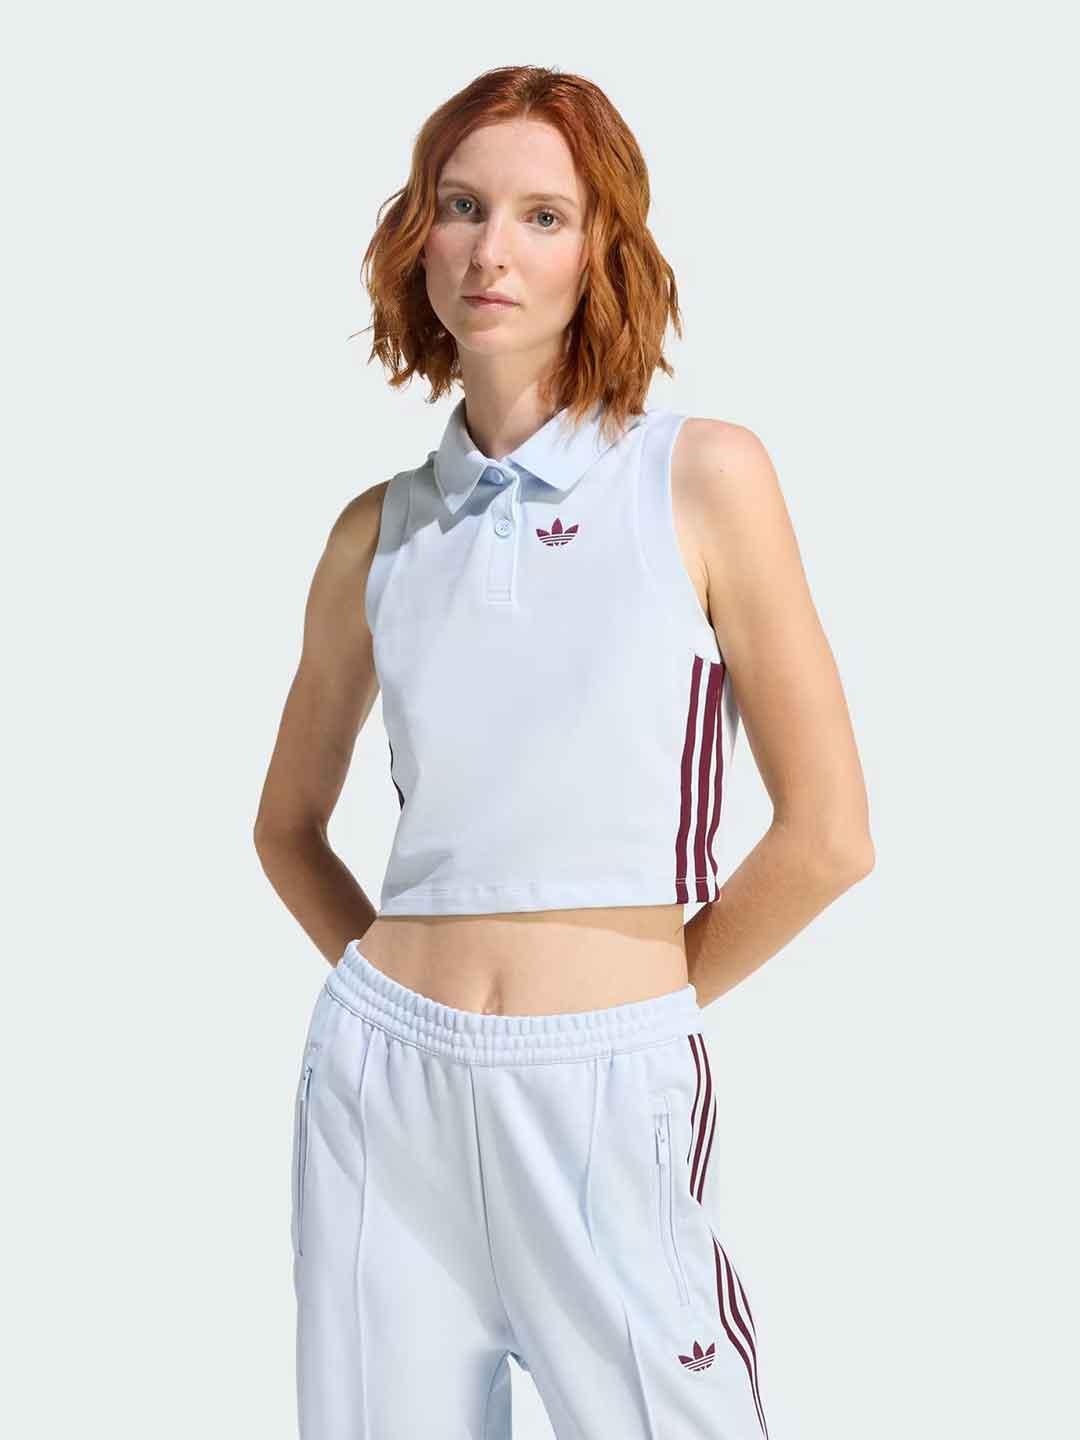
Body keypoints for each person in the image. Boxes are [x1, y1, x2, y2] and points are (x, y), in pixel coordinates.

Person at [254, 63, 874, 1440]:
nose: (492, 249)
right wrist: (394, 1004)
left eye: (544, 215)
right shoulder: (376, 532)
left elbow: (830, 835)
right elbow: (285, 827)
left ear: (603, 250)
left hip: (607, 1086)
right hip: (382, 1098)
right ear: (418, 239)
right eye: (460, 206)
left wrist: (640, 1003)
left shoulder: (700, 478)